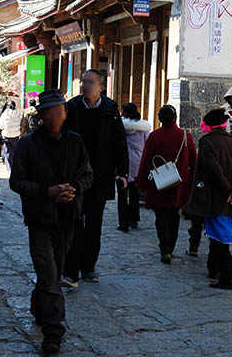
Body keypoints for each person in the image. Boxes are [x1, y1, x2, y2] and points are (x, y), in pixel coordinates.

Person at [10, 90, 94, 355]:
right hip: (40, 219)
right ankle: (54, 331)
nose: (56, 116)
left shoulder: (75, 142)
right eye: (50, 111)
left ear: (66, 114)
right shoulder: (28, 144)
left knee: (54, 272)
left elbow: (88, 174)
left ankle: (39, 307)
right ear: (42, 115)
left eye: (60, 111)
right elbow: (16, 182)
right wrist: (47, 191)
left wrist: (74, 189)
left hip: (68, 217)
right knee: (48, 274)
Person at [62, 69, 129, 287]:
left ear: (101, 87)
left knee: (94, 224)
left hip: (101, 175)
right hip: (76, 174)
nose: (85, 85)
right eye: (84, 81)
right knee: (74, 222)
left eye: (90, 82)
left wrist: (123, 171)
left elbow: (120, 141)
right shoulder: (71, 108)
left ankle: (88, 267)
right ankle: (70, 271)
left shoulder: (110, 110)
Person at [184, 108, 232, 289]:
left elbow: (214, 171)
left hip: (216, 199)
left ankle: (227, 277)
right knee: (216, 237)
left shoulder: (208, 143)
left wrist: (230, 191)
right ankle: (214, 269)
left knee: (221, 240)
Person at [136, 104, 195, 264]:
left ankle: (165, 249)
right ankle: (170, 246)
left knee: (161, 217)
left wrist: (141, 183)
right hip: (179, 183)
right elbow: (193, 161)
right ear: (175, 118)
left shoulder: (155, 136)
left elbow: (146, 160)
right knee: (174, 215)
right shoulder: (185, 136)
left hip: (159, 182)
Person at [118, 102, 151, 232]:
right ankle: (134, 219)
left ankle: (123, 222)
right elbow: (147, 145)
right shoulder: (144, 129)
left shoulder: (121, 127)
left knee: (122, 194)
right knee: (134, 193)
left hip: (123, 162)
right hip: (138, 162)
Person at [0, 100, 22, 168]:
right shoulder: (18, 113)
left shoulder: (4, 114)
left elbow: (1, 126)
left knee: (7, 153)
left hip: (6, 135)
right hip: (16, 135)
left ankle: (9, 169)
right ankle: (15, 167)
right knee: (14, 152)